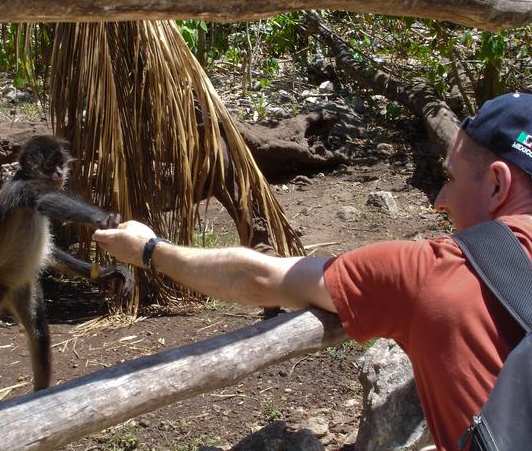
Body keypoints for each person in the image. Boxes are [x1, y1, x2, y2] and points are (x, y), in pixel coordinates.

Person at [93, 91, 532, 451]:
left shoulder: (433, 271)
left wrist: (150, 250)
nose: (438, 199)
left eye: (451, 179)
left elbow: (259, 278)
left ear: (497, 184)